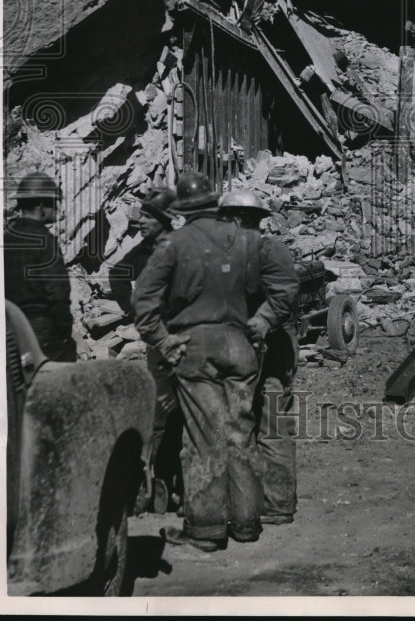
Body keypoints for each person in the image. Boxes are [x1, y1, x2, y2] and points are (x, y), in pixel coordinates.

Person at [133, 171, 266, 552]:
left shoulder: (174, 244)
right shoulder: (246, 240)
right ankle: (246, 523)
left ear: (182, 209)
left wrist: (163, 340)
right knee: (241, 431)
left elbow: (143, 301)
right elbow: (264, 289)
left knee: (204, 438)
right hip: (240, 344)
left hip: (195, 346)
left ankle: (206, 529)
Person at [218, 188, 301, 526]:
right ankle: (249, 501)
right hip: (243, 345)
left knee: (271, 422)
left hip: (274, 346)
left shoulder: (269, 250)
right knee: (249, 422)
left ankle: (278, 503)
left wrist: (263, 320)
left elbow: (286, 292)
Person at [128, 186, 184, 515]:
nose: (140, 221)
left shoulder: (176, 251)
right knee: (161, 415)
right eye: (141, 215)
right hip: (161, 343)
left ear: (164, 220)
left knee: (185, 413)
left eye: (148, 216)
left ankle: (179, 486)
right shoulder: (144, 253)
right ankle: (157, 484)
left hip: (179, 338)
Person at [4, 172, 76, 362]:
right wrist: (65, 332)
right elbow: (58, 295)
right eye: (54, 203)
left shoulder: (5, 238)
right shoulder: (46, 241)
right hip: (42, 331)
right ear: (42, 206)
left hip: (10, 328)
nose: (57, 209)